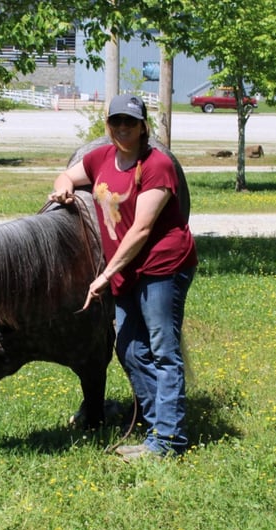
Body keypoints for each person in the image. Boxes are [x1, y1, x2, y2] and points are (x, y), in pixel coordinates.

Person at [48, 94, 198, 461]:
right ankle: (156, 424)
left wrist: (104, 276)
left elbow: (142, 230)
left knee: (163, 352)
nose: (122, 129)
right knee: (128, 349)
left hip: (162, 266)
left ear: (143, 125)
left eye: (129, 122)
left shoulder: (157, 165)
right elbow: (68, 172)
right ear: (107, 125)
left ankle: (169, 441)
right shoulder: (101, 157)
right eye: (116, 122)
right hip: (128, 268)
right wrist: (64, 184)